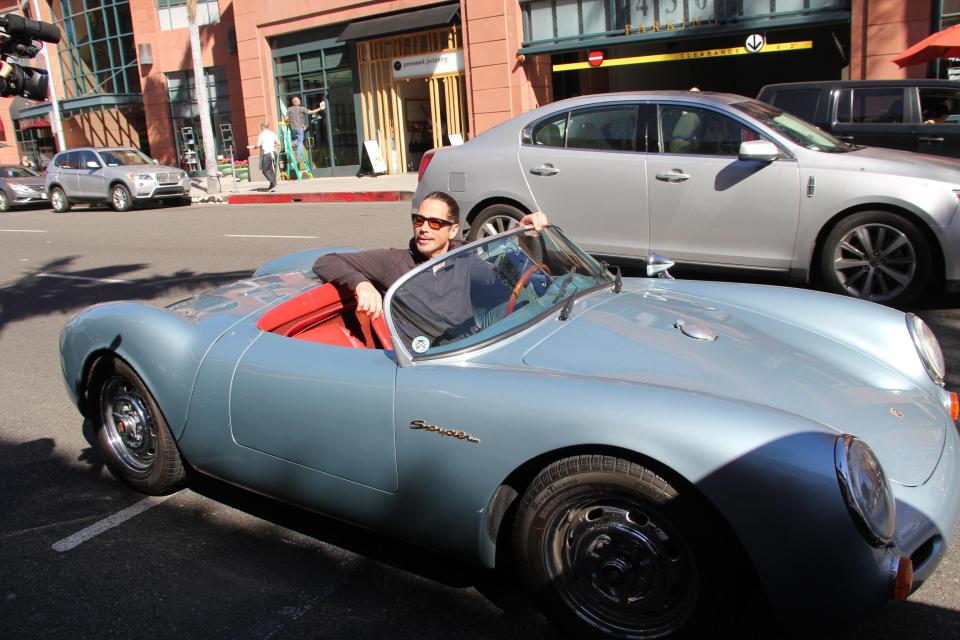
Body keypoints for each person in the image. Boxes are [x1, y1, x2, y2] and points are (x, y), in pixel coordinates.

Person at [313, 191, 547, 321]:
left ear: (452, 230)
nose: (424, 228)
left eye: (435, 223)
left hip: (469, 348)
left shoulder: (464, 257)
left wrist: (524, 235)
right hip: (425, 364)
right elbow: (327, 261)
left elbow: (506, 279)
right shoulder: (395, 261)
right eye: (419, 220)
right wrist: (362, 284)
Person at [286, 96, 325, 162]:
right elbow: (311, 112)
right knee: (300, 142)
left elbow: (286, 119)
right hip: (299, 127)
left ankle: (294, 143)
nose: (300, 101)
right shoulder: (301, 109)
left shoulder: (289, 109)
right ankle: (298, 157)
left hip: (293, 128)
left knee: (297, 140)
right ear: (296, 102)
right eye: (299, 101)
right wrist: (320, 108)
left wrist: (291, 120)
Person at [249, 121, 279, 192]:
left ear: (262, 127)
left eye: (261, 127)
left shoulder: (261, 134)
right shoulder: (272, 134)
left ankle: (273, 182)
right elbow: (279, 143)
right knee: (271, 170)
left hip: (267, 154)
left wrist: (255, 147)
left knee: (264, 170)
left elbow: (258, 144)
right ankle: (272, 186)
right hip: (274, 153)